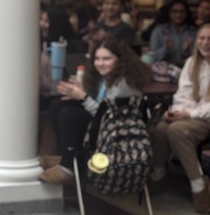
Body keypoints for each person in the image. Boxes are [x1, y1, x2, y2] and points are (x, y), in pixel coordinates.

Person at [39, 35, 150, 185]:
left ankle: (68, 167)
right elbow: (97, 105)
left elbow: (108, 116)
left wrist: (83, 97)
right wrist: (77, 93)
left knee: (69, 114)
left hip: (115, 131)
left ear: (120, 59)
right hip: (100, 123)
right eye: (97, 59)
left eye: (106, 59)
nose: (100, 63)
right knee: (57, 105)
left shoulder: (124, 84)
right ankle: (67, 156)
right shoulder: (103, 78)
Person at [150, 23, 210, 214]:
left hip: (205, 118)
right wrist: (176, 112)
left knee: (177, 130)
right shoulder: (192, 63)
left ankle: (198, 184)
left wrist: (189, 114)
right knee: (160, 128)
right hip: (190, 115)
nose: (205, 43)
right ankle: (158, 175)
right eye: (202, 38)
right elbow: (183, 94)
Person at [147, 0, 195, 66]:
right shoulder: (159, 31)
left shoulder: (192, 31)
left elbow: (199, 56)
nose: (178, 15)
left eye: (182, 12)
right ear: (169, 13)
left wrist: (188, 50)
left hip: (187, 68)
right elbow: (153, 56)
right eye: (174, 12)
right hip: (164, 71)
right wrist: (166, 48)